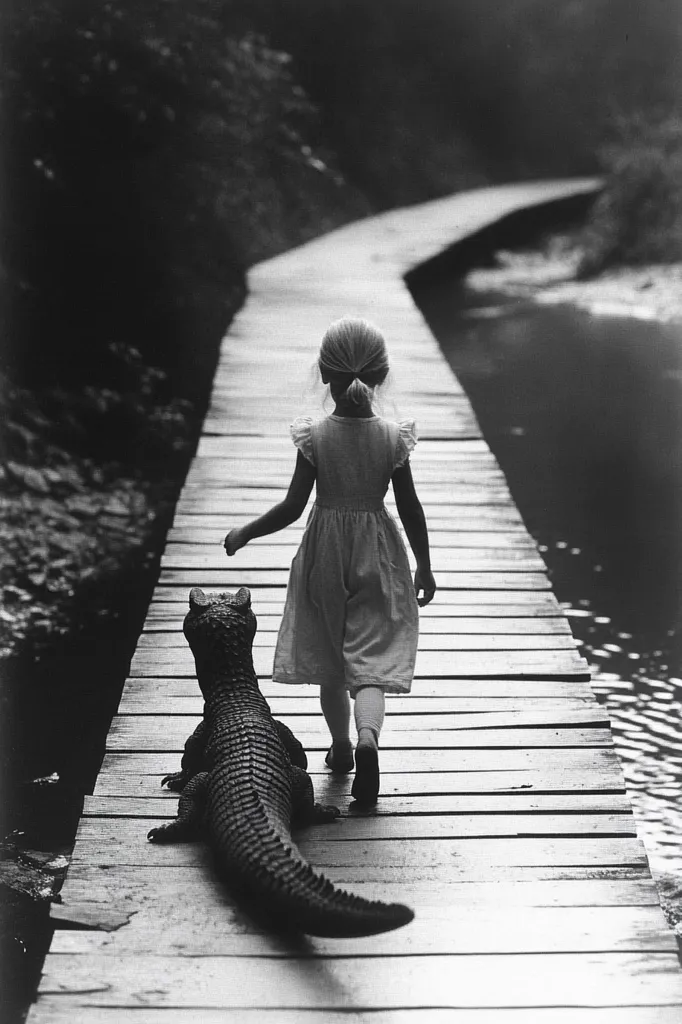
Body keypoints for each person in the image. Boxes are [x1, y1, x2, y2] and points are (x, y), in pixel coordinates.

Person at [224, 316, 436, 805]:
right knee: (372, 658)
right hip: (379, 554)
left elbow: (292, 508)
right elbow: (409, 507)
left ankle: (340, 749)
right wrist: (423, 564)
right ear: (380, 376)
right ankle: (368, 738)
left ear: (325, 374)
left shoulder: (315, 437)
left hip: (324, 555)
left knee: (331, 658)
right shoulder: (393, 438)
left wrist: (246, 531)